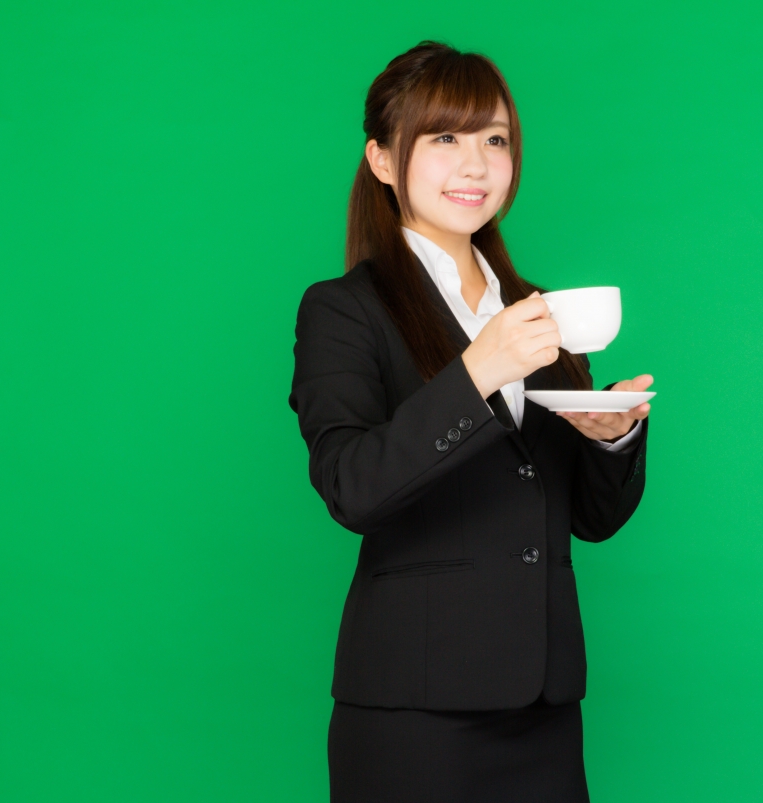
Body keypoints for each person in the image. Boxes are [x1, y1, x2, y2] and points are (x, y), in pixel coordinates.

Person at [287, 40, 653, 803]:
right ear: (383, 160)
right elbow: (352, 486)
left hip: (545, 708)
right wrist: (478, 371)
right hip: (415, 714)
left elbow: (590, 516)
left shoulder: (536, 309)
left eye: (495, 139)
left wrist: (611, 434)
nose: (477, 164)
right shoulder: (344, 309)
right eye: (445, 138)